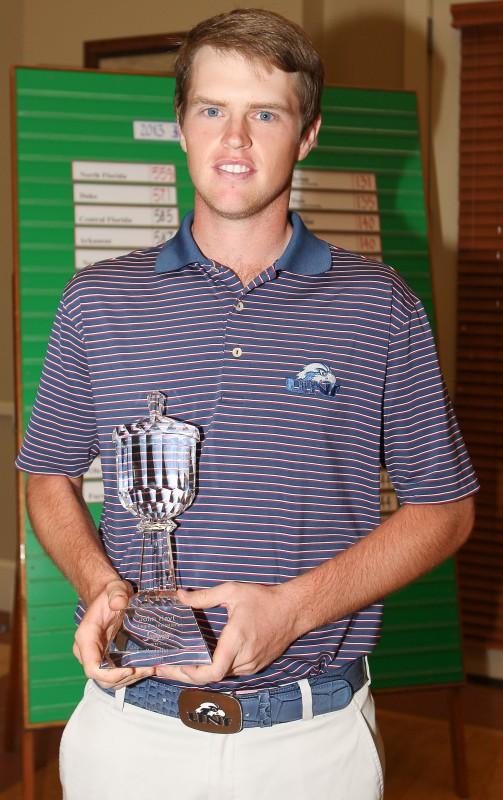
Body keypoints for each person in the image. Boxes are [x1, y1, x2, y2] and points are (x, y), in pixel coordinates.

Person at [16, 8, 478, 800]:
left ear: (306, 137)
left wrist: (293, 611)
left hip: (309, 744)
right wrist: (101, 586)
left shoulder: (379, 306)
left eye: (264, 113)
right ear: (182, 126)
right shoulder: (96, 301)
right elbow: (47, 476)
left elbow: (446, 508)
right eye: (211, 110)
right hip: (128, 734)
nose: (234, 140)